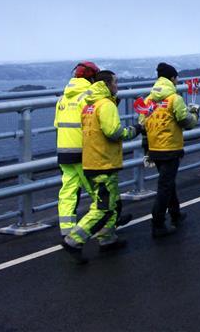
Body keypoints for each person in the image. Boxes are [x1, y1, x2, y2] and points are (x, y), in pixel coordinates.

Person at [61, 70, 136, 262]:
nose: (117, 86)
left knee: (110, 203)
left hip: (91, 160)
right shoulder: (105, 105)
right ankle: (74, 240)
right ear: (107, 84)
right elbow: (114, 132)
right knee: (102, 207)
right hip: (104, 162)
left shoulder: (88, 105)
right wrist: (134, 130)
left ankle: (107, 238)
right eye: (115, 82)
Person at [141, 62, 198, 238]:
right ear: (172, 79)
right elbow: (185, 122)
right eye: (176, 78)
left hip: (154, 148)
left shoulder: (148, 99)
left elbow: (143, 124)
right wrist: (194, 114)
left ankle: (176, 214)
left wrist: (147, 149)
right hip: (171, 148)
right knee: (165, 186)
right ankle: (157, 223)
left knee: (168, 181)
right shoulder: (174, 99)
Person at [54, 61, 99, 237]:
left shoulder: (62, 99)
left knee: (68, 191)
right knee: (96, 190)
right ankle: (105, 225)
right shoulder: (87, 97)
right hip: (83, 150)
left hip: (63, 150)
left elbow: (57, 124)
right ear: (92, 77)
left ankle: (67, 230)